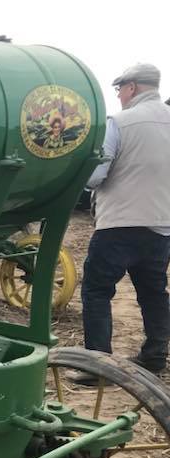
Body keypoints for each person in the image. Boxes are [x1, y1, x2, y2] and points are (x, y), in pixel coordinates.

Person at [79, 63, 170, 380]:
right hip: (161, 226)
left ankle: (98, 367)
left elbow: (95, 175)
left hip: (118, 224)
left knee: (97, 291)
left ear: (132, 87)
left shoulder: (119, 122)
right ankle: (155, 357)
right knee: (153, 292)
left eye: (119, 89)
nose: (118, 95)